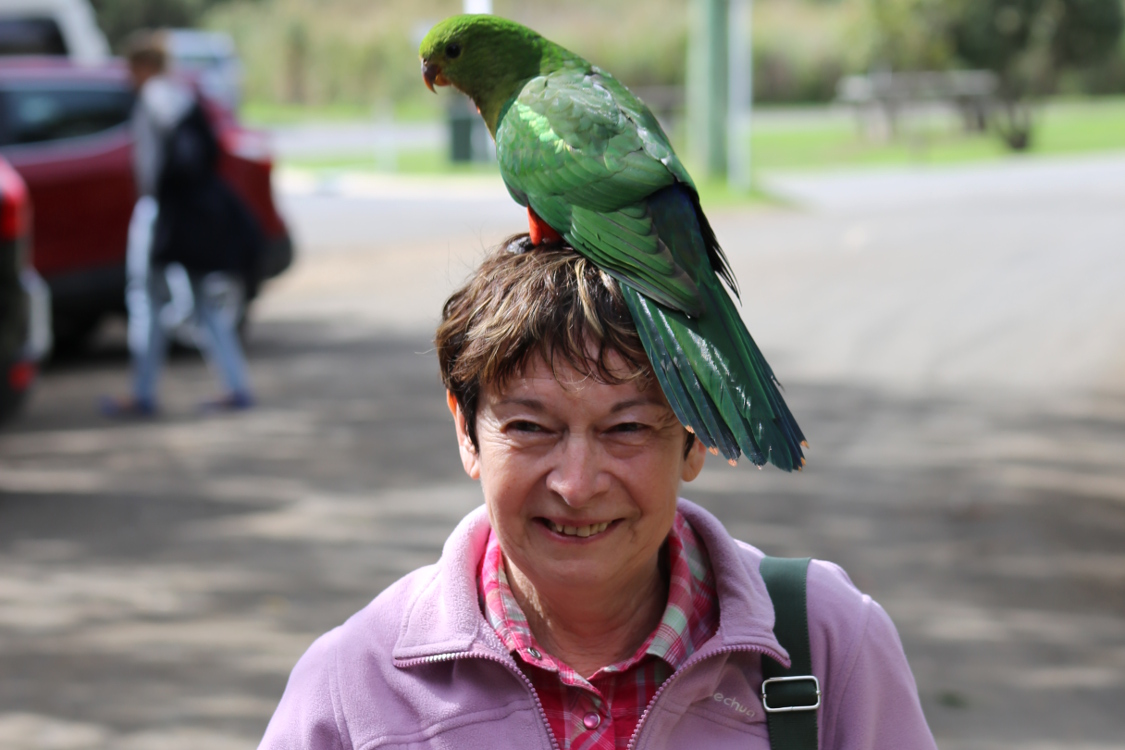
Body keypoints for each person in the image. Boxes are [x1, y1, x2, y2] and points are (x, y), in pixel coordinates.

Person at [258, 238, 937, 750]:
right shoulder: (355, 686)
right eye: (529, 427)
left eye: (627, 429)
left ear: (698, 437)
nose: (576, 485)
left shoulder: (824, 643)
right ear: (466, 431)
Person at [102, 30, 256, 416]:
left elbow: (164, 165)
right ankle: (236, 385)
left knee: (146, 300)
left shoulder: (155, 97)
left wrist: (156, 197)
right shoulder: (183, 95)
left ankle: (142, 392)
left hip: (165, 215)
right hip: (192, 218)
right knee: (202, 305)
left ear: (143, 66)